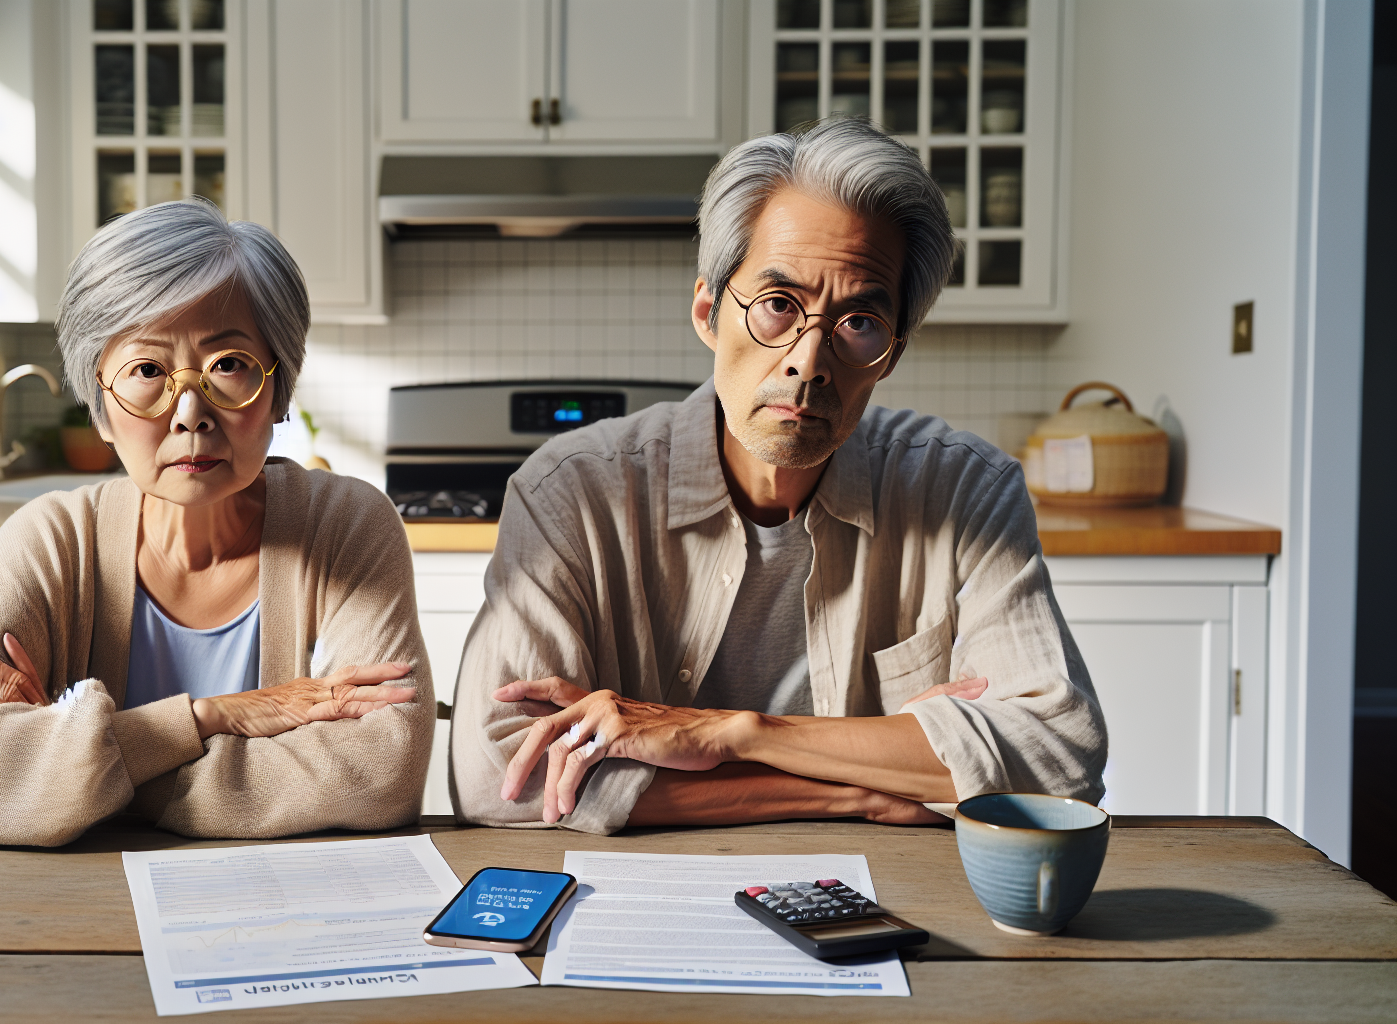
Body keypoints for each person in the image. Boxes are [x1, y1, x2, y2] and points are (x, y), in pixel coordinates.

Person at [449, 118, 1107, 834]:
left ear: (890, 353)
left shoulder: (965, 490)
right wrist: (848, 788)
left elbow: (1061, 753)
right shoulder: (573, 494)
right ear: (708, 311)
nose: (810, 360)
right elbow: (497, 780)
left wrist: (735, 734)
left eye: (859, 322)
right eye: (777, 307)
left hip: (896, 896)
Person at [0, 199, 433, 846]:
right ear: (99, 406)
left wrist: (80, 767)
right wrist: (211, 717)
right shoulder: (51, 542)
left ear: (279, 389)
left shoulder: (347, 527)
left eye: (228, 365)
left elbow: (379, 775)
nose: (189, 413)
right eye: (147, 371)